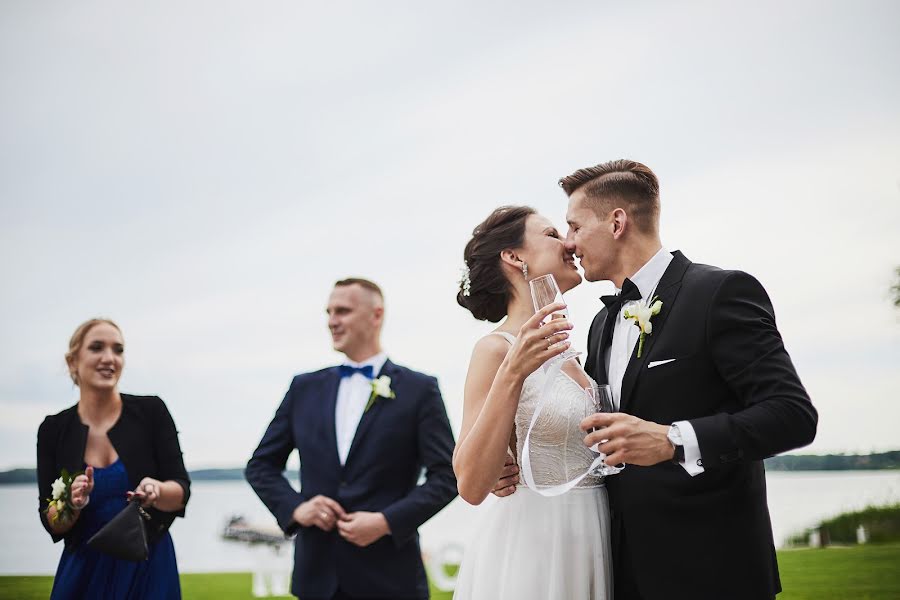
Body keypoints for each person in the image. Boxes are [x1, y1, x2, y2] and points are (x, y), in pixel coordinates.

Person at [561, 159, 818, 599]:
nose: (569, 244)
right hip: (622, 572)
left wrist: (673, 440)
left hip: (713, 571)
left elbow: (792, 415)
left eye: (574, 227)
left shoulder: (721, 293)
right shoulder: (601, 323)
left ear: (617, 222)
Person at [246, 278, 457, 600]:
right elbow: (260, 465)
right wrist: (296, 509)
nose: (332, 320)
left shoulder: (420, 390)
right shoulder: (303, 388)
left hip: (390, 576)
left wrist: (386, 521)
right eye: (329, 312)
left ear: (376, 315)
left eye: (342, 311)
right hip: (316, 576)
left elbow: (447, 476)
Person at [452, 206, 612, 600]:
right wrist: (513, 373)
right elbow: (471, 484)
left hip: (595, 534)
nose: (570, 243)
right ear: (514, 256)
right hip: (535, 543)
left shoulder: (577, 353)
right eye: (552, 235)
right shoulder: (495, 350)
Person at [36, 318, 190, 599]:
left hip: (148, 566)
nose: (110, 358)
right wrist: (71, 503)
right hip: (84, 570)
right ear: (73, 362)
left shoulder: (152, 412)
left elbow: (181, 492)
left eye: (118, 350)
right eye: (97, 348)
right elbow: (52, 522)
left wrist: (157, 491)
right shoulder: (53, 429)